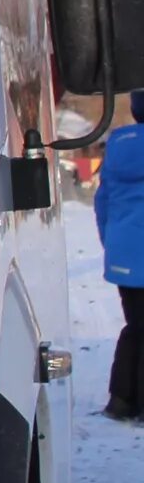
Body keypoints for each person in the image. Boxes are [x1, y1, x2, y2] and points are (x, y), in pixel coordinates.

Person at [98, 102, 144, 420]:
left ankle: (121, 400)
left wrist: (114, 245)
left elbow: (102, 203)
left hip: (125, 253)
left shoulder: (118, 146)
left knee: (136, 327)